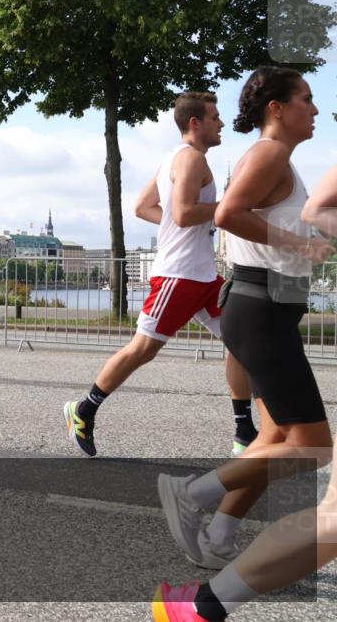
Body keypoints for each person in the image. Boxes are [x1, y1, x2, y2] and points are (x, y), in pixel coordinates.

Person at [152, 70, 334, 621]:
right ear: (277, 107)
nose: (316, 109)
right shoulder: (270, 153)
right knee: (312, 446)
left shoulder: (278, 155)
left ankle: (222, 531)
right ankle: (194, 493)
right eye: (306, 99)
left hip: (265, 309)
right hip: (259, 311)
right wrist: (299, 242)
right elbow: (230, 214)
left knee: (277, 434)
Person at [64, 92, 256, 462]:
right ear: (195, 123)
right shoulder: (190, 158)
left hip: (203, 277)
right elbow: (183, 213)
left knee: (241, 341)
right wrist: (228, 207)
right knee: (143, 349)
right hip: (178, 276)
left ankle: (244, 432)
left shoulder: (172, 158)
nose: (221, 124)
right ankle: (83, 410)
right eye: (215, 117)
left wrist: (178, 220)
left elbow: (144, 208)